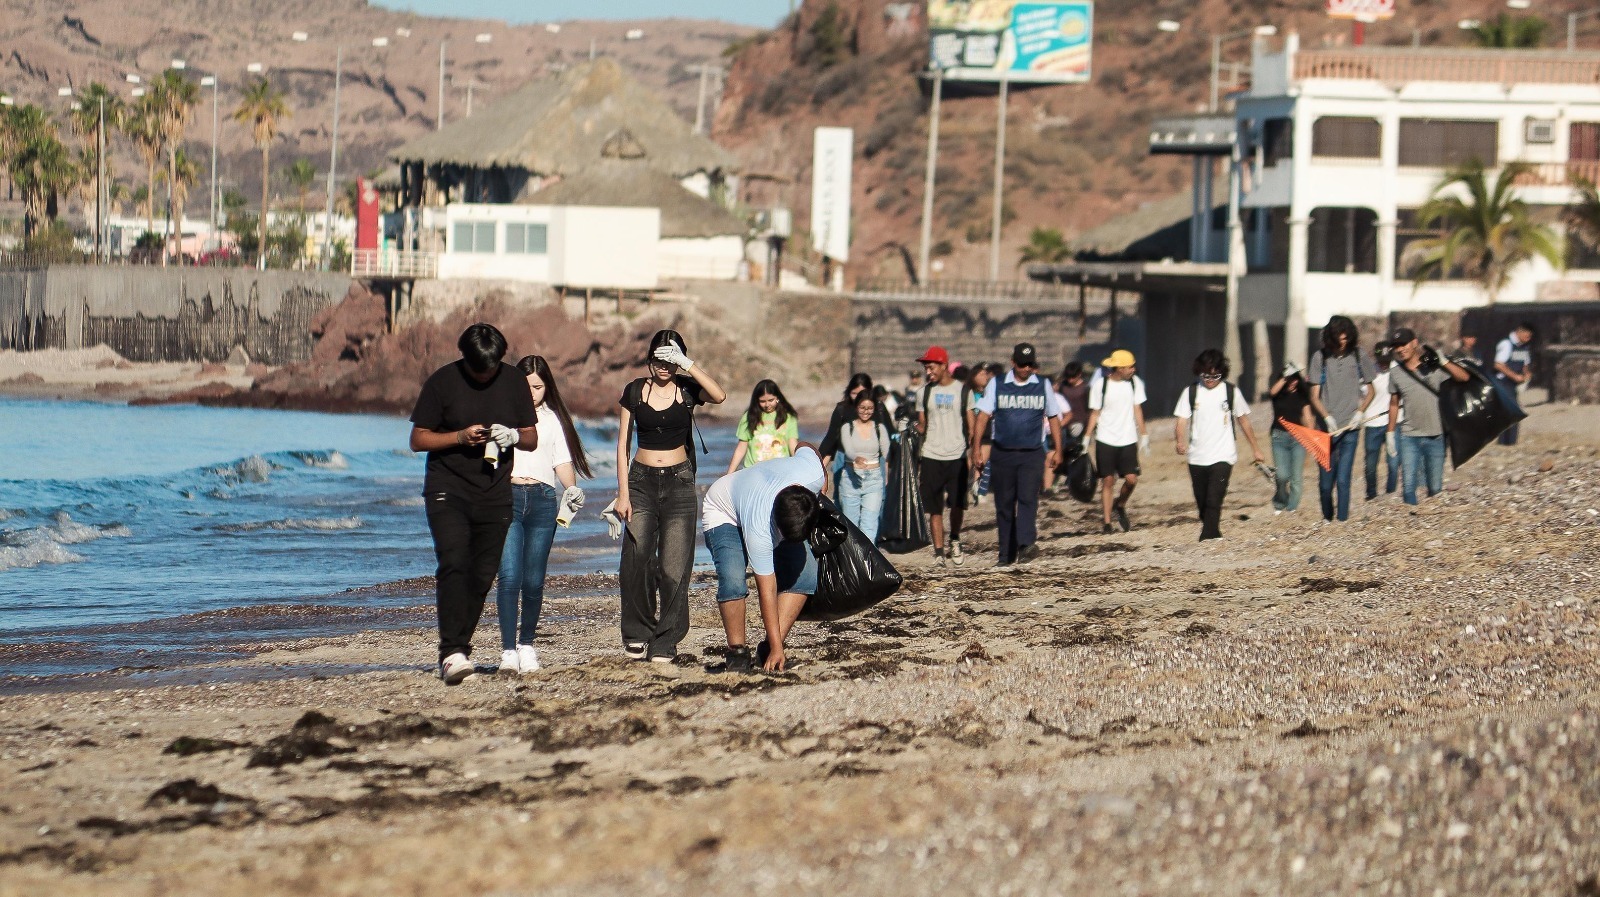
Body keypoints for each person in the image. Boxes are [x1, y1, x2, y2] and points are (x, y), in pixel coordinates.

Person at [408, 323, 537, 685]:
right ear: (465, 358)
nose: (487, 373)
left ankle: (459, 647)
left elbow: (531, 437)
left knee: (481, 576)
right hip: (447, 488)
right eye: (481, 367)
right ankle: (451, 652)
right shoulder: (442, 382)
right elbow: (418, 439)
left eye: (493, 365)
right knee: (454, 562)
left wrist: (512, 436)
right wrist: (460, 437)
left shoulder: (513, 381)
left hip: (495, 492)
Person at [615, 330, 727, 663]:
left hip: (679, 483)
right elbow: (621, 446)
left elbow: (719, 395)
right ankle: (637, 632)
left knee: (674, 566)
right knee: (636, 560)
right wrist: (623, 493)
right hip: (640, 482)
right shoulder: (635, 391)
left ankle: (666, 640)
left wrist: (686, 363)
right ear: (649, 359)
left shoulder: (687, 389)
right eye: (659, 358)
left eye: (670, 358)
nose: (664, 365)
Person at [495, 355, 592, 675]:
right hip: (508, 498)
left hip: (543, 501)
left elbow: (561, 463)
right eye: (525, 387)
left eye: (537, 386)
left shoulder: (553, 420)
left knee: (534, 580)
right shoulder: (503, 414)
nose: (531, 392)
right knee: (509, 576)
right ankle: (508, 651)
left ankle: (527, 646)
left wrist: (572, 489)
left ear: (547, 386)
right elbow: (489, 459)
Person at [702, 445, 827, 672]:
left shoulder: (812, 473)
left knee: (806, 576)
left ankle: (767, 649)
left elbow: (805, 447)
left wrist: (824, 479)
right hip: (723, 510)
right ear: (775, 523)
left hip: (768, 500)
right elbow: (767, 590)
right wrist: (781, 648)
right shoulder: (760, 526)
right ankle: (737, 653)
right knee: (733, 579)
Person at [970, 342, 1066, 566]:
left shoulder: (1042, 385)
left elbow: (1053, 417)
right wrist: (976, 449)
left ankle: (1026, 545)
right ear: (1013, 362)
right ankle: (1005, 555)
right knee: (1004, 504)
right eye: (1022, 364)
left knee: (1027, 499)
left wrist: (1058, 450)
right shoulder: (998, 383)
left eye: (1029, 364)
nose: (1025, 368)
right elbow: (983, 416)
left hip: (1031, 453)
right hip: (1002, 452)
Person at [1174, 349, 1266, 541]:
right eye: (1206, 375)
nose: (1210, 380)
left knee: (1215, 497)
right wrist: (1180, 441)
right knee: (1202, 500)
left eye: (1215, 376)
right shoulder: (1190, 392)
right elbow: (1181, 421)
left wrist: (1255, 448)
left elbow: (1244, 421)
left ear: (1222, 373)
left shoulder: (1231, 392)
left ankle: (1209, 535)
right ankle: (1210, 527)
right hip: (1197, 456)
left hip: (1224, 454)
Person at [1386, 328, 1471, 506]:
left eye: (1404, 344)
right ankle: (1410, 525)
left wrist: (1443, 361)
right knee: (1408, 487)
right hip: (1409, 436)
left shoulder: (1433, 367)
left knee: (1435, 488)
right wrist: (1390, 433)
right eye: (1396, 347)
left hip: (1436, 435)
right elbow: (1394, 403)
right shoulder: (1395, 374)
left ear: (1414, 342)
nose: (1400, 349)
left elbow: (1463, 377)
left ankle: (1431, 524)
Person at [1306, 315, 1375, 523]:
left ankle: (1342, 521)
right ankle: (1327, 518)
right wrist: (1326, 417)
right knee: (1326, 483)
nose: (1342, 344)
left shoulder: (1358, 355)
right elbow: (1313, 396)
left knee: (1344, 479)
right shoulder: (1320, 358)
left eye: (1346, 339)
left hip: (1351, 428)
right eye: (1338, 340)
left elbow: (1371, 390)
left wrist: (1360, 412)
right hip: (1325, 430)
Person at [914, 346, 971, 566]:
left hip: (957, 454)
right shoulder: (924, 392)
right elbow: (923, 424)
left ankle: (955, 539)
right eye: (926, 368)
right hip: (931, 454)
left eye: (931, 367)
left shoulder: (963, 391)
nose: (928, 372)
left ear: (944, 365)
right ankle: (938, 552)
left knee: (957, 503)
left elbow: (972, 425)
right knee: (934, 507)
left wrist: (974, 453)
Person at [1083, 349, 1148, 534]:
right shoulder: (1100, 386)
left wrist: (1144, 434)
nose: (1133, 369)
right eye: (1130, 367)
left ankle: (1120, 505)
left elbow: (1138, 410)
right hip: (1105, 438)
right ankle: (1107, 522)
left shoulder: (1135, 384)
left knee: (1131, 479)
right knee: (1108, 480)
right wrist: (1087, 437)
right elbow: (1095, 413)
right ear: (1118, 368)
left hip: (1128, 439)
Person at [818, 374, 894, 489]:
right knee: (843, 502)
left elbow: (890, 436)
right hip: (844, 460)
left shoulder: (879, 408)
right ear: (848, 392)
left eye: (862, 393)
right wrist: (817, 464)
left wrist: (889, 468)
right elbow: (830, 439)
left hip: (875, 461)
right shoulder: (842, 409)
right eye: (854, 394)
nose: (859, 398)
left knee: (876, 503)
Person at [836, 393, 892, 541]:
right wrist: (856, 458)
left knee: (870, 524)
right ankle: (853, 561)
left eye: (870, 408)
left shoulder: (880, 429)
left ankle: (868, 561)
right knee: (851, 525)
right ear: (856, 407)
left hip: (873, 479)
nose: (866, 411)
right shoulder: (847, 428)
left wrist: (887, 470)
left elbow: (886, 452)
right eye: (862, 407)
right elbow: (848, 450)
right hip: (850, 478)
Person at [1268, 362, 1315, 514]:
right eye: (1290, 378)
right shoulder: (1278, 395)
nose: (1293, 381)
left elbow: (1308, 418)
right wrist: (1285, 375)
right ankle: (1280, 502)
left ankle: (1292, 508)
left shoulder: (1302, 396)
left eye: (1295, 378)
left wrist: (1311, 437)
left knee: (1296, 478)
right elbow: (1272, 391)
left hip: (1298, 439)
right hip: (1278, 438)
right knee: (1281, 476)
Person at [727, 379, 799, 473]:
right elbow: (741, 448)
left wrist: (798, 469)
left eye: (771, 400)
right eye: (762, 401)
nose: (767, 405)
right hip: (753, 472)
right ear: (756, 400)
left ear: (777, 398)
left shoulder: (788, 417)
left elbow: (793, 445)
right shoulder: (748, 417)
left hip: (780, 472)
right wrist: (729, 474)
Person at [1363, 344, 1400, 501]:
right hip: (1372, 423)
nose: (1384, 364)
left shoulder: (1399, 369)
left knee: (1393, 463)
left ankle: (1390, 494)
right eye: (1381, 361)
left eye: (1387, 360)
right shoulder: (1369, 371)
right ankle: (1371, 495)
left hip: (1394, 422)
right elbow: (1363, 394)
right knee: (1371, 465)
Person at [1493, 323, 1535, 446]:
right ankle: (1505, 442)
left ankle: (1510, 442)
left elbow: (1525, 364)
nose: (1528, 339)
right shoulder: (1506, 344)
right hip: (1503, 383)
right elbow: (1499, 364)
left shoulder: (1524, 346)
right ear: (1520, 332)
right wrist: (1514, 376)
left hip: (1514, 385)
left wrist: (1526, 374)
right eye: (1527, 336)